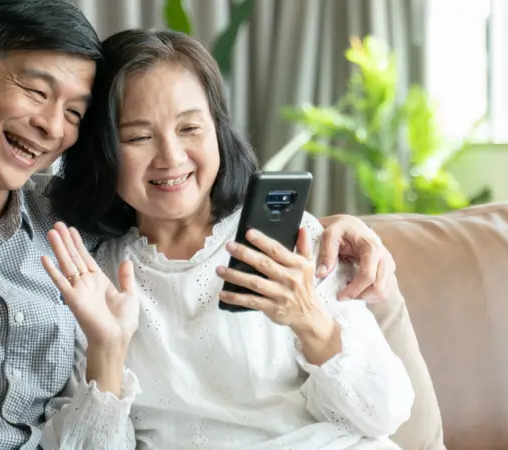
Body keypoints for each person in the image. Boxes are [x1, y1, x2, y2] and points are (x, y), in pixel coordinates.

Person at [0, 1, 397, 448]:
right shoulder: (88, 248)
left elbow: (175, 212)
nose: (53, 127)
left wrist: (344, 233)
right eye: (35, 91)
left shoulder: (65, 228)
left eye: (74, 112)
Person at [37, 28, 414, 450]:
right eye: (139, 137)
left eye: (190, 128)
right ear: (101, 150)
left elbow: (386, 414)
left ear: (218, 129)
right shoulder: (90, 277)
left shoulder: (296, 240)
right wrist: (107, 349)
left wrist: (310, 320)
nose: (172, 157)